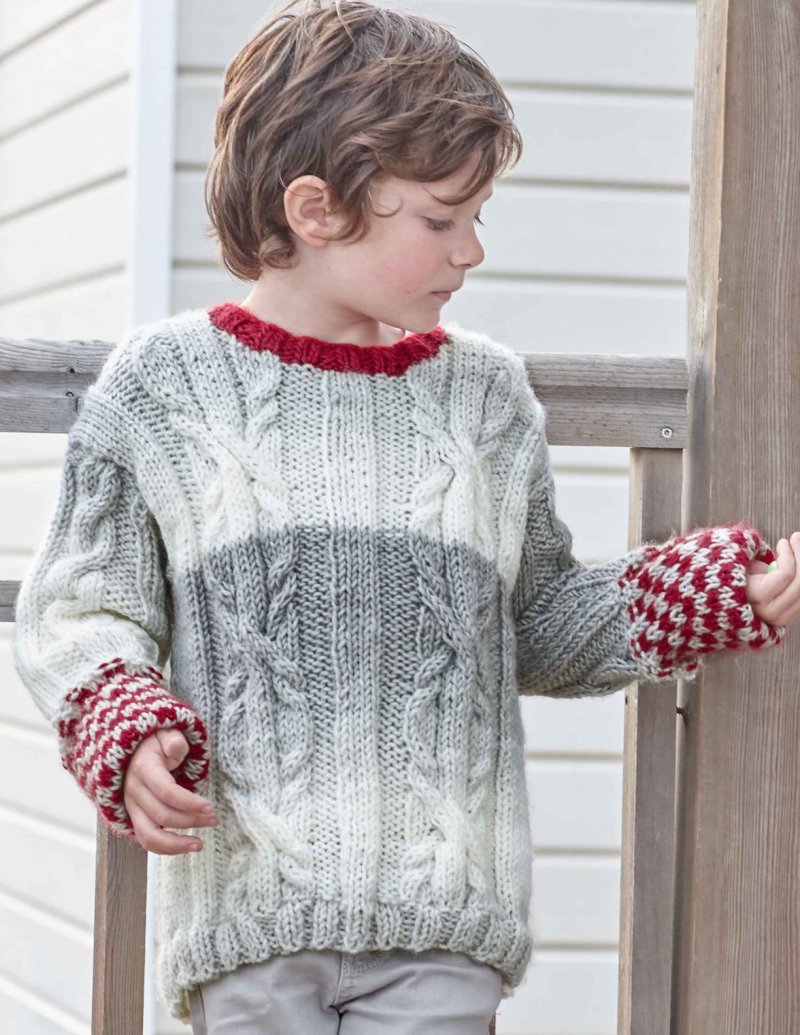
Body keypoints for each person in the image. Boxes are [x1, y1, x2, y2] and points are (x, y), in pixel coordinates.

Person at [11, 1, 800, 1032]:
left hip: (442, 931)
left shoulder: (484, 398)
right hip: (249, 920)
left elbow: (535, 620)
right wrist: (122, 720)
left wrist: (692, 594)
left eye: (476, 217)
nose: (472, 250)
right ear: (314, 209)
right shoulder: (162, 387)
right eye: (440, 219)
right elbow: (78, 606)